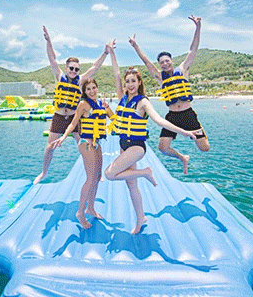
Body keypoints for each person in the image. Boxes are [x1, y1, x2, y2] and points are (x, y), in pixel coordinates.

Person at [104, 44, 200, 234]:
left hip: (136, 147)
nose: (130, 84)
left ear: (139, 82)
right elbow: (116, 74)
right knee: (131, 184)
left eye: (133, 81)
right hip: (123, 143)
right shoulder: (122, 97)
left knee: (109, 174)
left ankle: (145, 172)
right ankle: (141, 218)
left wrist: (184, 131)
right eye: (127, 81)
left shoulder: (143, 102)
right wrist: (112, 52)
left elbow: (159, 120)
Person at [128, 15, 209, 175]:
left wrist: (198, 27)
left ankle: (199, 130)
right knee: (163, 148)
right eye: (162, 62)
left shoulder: (183, 69)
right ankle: (183, 157)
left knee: (204, 148)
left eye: (167, 61)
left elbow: (193, 49)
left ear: (171, 61)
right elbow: (146, 61)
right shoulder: (159, 77)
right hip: (172, 116)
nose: (165, 64)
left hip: (188, 115)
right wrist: (135, 46)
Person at [34, 25, 114, 184]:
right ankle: (43, 173)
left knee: (85, 147)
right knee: (50, 147)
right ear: (66, 68)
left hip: (74, 118)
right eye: (71, 68)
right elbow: (52, 58)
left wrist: (105, 52)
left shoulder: (80, 81)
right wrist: (49, 41)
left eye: (76, 69)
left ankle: (96, 174)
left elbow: (95, 67)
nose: (73, 71)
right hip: (58, 117)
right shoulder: (59, 76)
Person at [51, 78, 115, 228]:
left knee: (97, 177)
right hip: (86, 143)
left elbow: (113, 119)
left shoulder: (100, 104)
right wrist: (63, 137)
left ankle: (90, 208)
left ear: (97, 88)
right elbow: (73, 123)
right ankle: (80, 212)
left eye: (94, 88)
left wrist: (107, 108)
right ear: (84, 92)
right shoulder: (83, 104)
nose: (92, 91)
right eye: (88, 89)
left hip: (97, 143)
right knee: (91, 179)